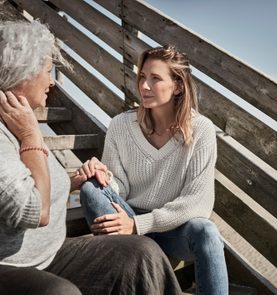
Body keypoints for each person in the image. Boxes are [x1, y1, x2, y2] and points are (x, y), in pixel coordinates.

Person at [0, 21, 182, 295]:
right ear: (22, 72)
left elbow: (30, 183)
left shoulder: (19, 118)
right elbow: (34, 211)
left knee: (141, 253)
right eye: (47, 71)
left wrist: (75, 180)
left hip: (49, 256)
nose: (51, 81)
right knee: (60, 293)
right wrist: (31, 137)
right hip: (9, 265)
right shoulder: (18, 130)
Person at [80, 45, 229, 295]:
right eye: (142, 77)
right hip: (127, 222)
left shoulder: (201, 129)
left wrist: (138, 224)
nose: (144, 86)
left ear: (178, 86)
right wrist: (101, 175)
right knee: (91, 189)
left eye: (155, 78)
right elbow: (120, 186)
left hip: (174, 230)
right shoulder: (120, 125)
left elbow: (196, 204)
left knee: (207, 231)